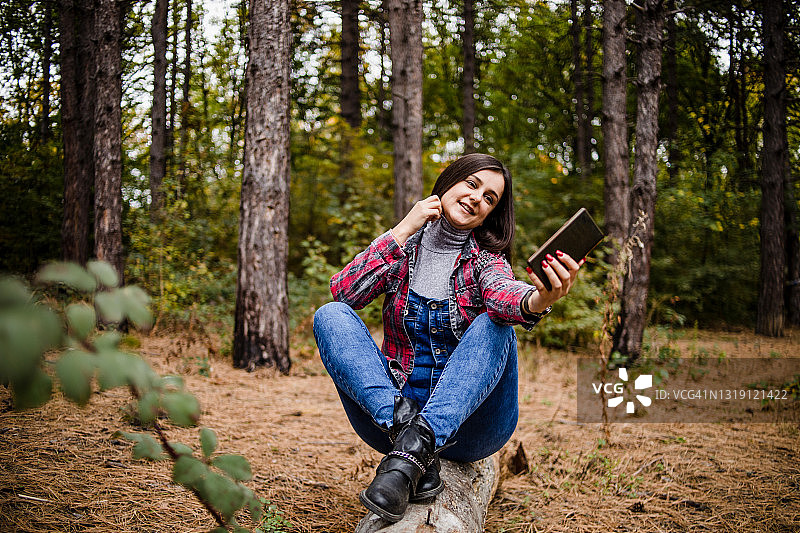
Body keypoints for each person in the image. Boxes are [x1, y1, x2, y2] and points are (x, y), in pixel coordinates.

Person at [313, 153, 583, 523]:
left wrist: (539, 299)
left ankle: (419, 440)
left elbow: (505, 294)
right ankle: (411, 444)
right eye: (472, 184)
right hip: (389, 420)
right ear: (448, 183)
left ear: (490, 214)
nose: (477, 198)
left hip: (471, 427)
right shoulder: (402, 248)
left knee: (494, 324)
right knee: (330, 315)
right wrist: (404, 228)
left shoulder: (486, 262)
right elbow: (345, 292)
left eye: (490, 198)